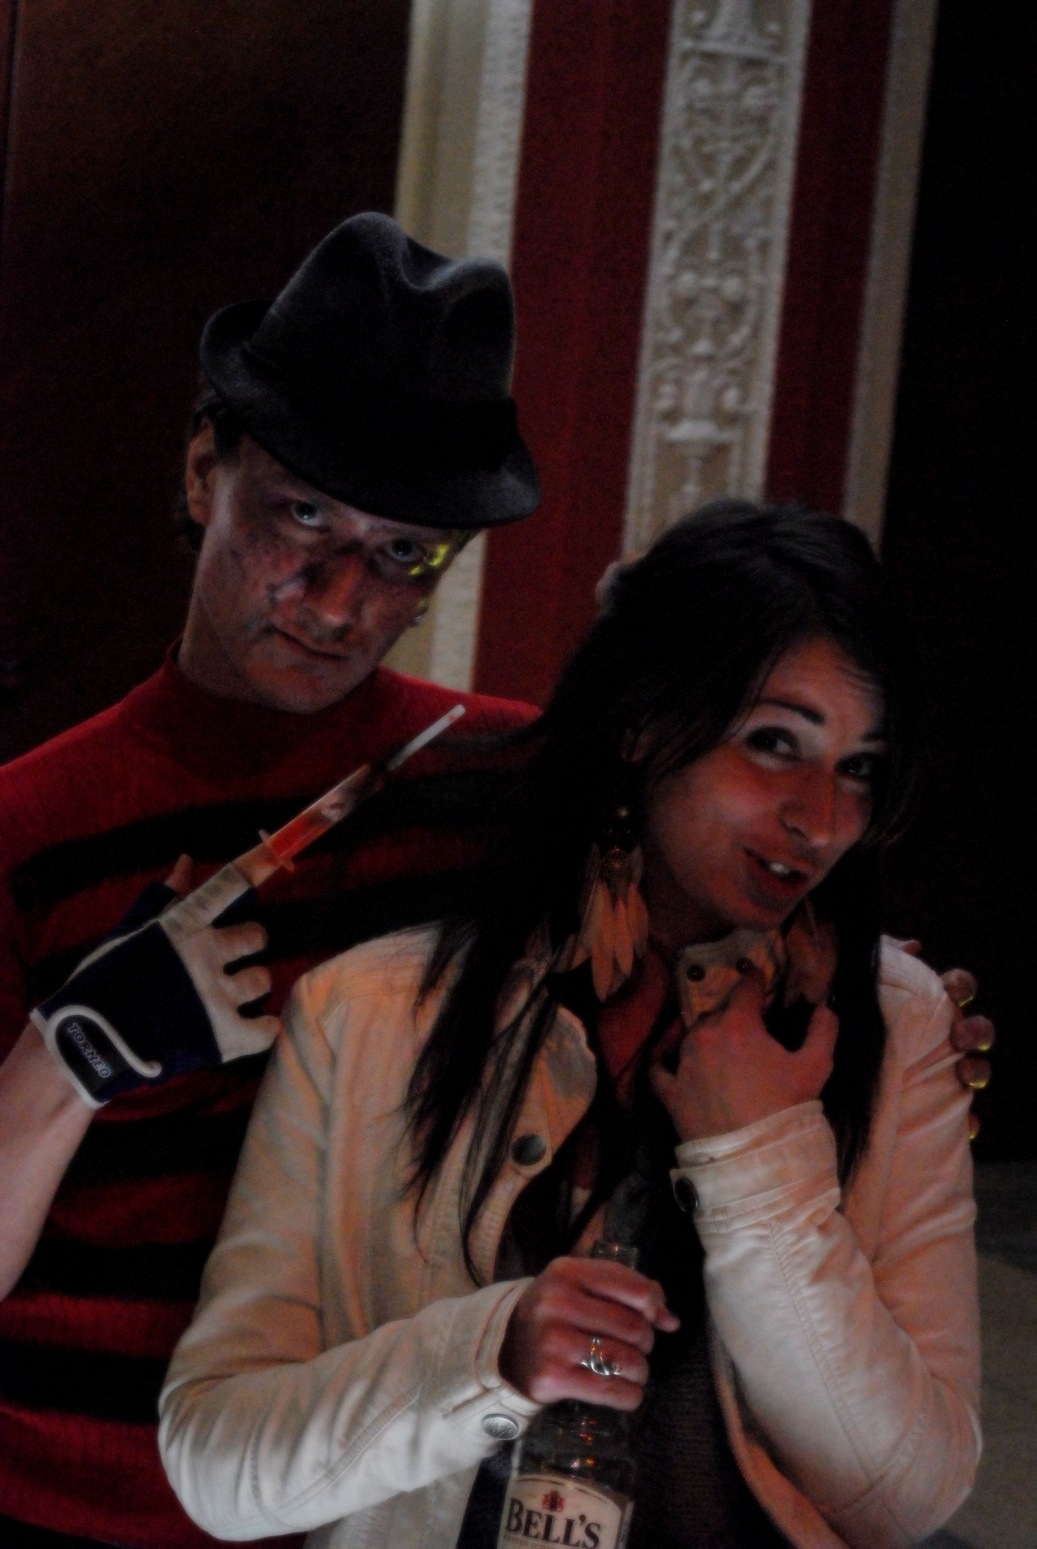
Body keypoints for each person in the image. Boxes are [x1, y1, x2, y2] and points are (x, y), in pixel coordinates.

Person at [159, 503, 981, 1549]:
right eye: (773, 742)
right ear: (640, 723)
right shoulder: (369, 1016)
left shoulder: (897, 1023)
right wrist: (488, 1357)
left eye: (858, 764)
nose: (819, 816)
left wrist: (761, 1165)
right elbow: (217, 1460)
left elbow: (908, 1495)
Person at [0, 213, 540, 1548]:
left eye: (404, 552)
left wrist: (905, 1041)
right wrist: (67, 1059)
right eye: (303, 514)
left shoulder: (506, 787)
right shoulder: (26, 825)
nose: (339, 598)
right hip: (66, 1505)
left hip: (373, 1508)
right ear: (204, 469)